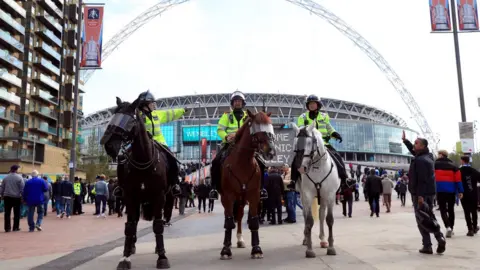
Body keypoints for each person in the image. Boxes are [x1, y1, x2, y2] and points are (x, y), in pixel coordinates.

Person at [137, 90, 185, 226]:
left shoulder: (157, 114)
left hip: (160, 144)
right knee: (126, 158)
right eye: (152, 103)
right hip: (143, 145)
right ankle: (122, 188)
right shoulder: (137, 116)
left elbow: (171, 114)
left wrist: (183, 110)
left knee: (173, 161)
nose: (154, 105)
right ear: (146, 104)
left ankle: (174, 184)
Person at [209, 90, 267, 196]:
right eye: (235, 101)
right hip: (230, 144)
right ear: (232, 103)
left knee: (262, 163)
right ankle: (214, 189)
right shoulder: (226, 116)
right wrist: (226, 137)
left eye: (239, 101)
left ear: (243, 103)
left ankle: (262, 189)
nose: (237, 103)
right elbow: (220, 130)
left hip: (246, 145)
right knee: (216, 162)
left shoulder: (248, 116)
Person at [402, 131, 446, 254]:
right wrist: (406, 142)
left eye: (416, 143)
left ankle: (427, 245)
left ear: (422, 146)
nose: (414, 146)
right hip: (430, 192)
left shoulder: (420, 161)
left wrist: (420, 196)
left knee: (421, 219)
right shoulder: (428, 157)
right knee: (429, 216)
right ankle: (439, 237)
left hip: (420, 194)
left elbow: (422, 180)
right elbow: (414, 151)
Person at [290, 94, 346, 186]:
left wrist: (334, 133)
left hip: (323, 144)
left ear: (318, 105)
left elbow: (329, 128)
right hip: (307, 144)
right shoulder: (302, 117)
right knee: (296, 159)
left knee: (338, 157)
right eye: (310, 104)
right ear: (307, 106)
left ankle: (344, 180)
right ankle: (293, 181)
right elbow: (301, 129)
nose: (311, 105)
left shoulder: (324, 116)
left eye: (314, 103)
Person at [434, 150, 463, 238]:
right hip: (451, 191)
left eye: (439, 154)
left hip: (440, 190)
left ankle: (448, 227)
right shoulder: (454, 166)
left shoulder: (434, 165)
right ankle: (451, 228)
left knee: (443, 209)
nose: (438, 155)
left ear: (442, 155)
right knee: (451, 210)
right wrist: (460, 191)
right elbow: (458, 180)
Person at [458, 156, 480, 236]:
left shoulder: (459, 171)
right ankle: (474, 227)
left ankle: (470, 229)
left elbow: (457, 181)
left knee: (466, 211)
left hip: (463, 194)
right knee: (474, 211)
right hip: (473, 193)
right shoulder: (474, 170)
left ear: (462, 161)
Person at [1, 165, 24, 232]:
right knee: (16, 213)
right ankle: (15, 227)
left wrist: (2, 195)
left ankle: (7, 228)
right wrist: (22, 197)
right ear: (16, 170)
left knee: (7, 213)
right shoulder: (19, 178)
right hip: (16, 197)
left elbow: (2, 188)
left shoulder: (5, 178)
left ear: (10, 169)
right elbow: (22, 189)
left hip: (7, 197)